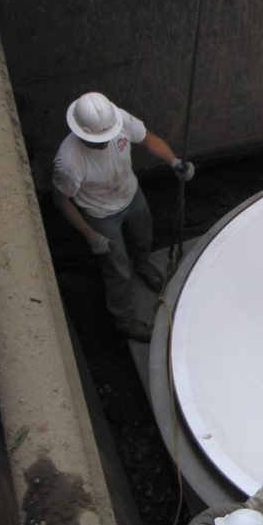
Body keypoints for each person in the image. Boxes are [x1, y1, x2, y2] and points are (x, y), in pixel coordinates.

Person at [52, 92, 195, 342]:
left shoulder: (118, 120)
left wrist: (173, 161)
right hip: (101, 214)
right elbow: (61, 200)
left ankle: (143, 264)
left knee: (144, 236)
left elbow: (147, 138)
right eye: (98, 141)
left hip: (131, 194)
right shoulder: (69, 162)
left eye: (107, 138)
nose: (106, 144)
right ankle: (124, 320)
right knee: (117, 270)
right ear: (81, 133)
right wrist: (91, 235)